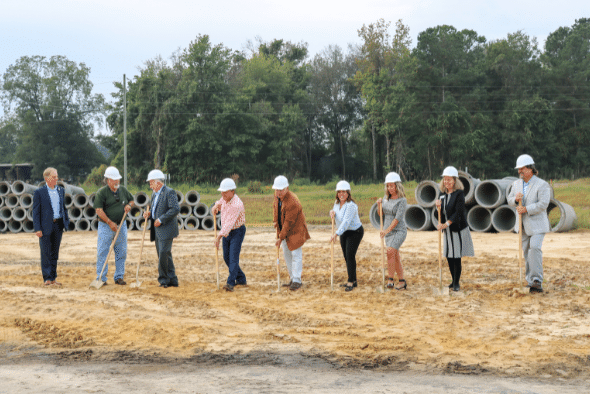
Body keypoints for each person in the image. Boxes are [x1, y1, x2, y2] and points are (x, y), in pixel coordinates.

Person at [507, 154, 551, 293]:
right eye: (519, 169)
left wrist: (526, 209)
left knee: (534, 249)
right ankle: (530, 281)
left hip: (537, 225)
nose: (520, 172)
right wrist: (515, 199)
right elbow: (509, 199)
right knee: (526, 252)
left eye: (522, 169)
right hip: (522, 225)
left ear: (531, 169)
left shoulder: (542, 184)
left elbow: (543, 204)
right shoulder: (516, 184)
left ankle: (537, 280)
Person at [435, 166, 474, 291]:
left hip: (457, 228)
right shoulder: (441, 195)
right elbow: (440, 214)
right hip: (447, 231)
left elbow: (458, 213)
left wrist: (446, 223)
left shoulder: (459, 194)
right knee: (449, 256)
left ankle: (456, 283)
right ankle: (452, 280)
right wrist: (437, 209)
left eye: (449, 180)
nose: (447, 182)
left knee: (456, 255)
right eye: (445, 180)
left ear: (455, 181)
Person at [93, 166, 135, 285]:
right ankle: (101, 278)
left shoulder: (122, 190)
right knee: (103, 251)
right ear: (108, 180)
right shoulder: (101, 192)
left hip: (121, 225)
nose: (117, 182)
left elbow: (131, 200)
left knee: (121, 251)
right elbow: (99, 210)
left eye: (118, 180)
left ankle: (119, 276)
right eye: (114, 180)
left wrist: (129, 206)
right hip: (105, 226)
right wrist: (109, 222)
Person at [32, 167, 70, 286]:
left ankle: (53, 277)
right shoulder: (39, 192)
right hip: (45, 226)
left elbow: (63, 207)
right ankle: (47, 278)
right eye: (54, 177)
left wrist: (66, 221)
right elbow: (36, 212)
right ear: (46, 178)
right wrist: (37, 228)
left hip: (58, 225)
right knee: (45, 252)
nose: (56, 179)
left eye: (57, 177)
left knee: (55, 252)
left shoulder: (60, 190)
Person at [142, 169, 180, 288]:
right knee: (164, 254)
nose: (149, 185)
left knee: (163, 253)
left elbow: (175, 209)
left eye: (151, 182)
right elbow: (154, 209)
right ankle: (172, 279)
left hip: (166, 228)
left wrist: (161, 219)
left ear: (157, 182)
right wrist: (148, 214)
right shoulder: (154, 193)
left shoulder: (169, 192)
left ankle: (163, 280)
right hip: (156, 229)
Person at [273, 175, 310, 291]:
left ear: (287, 188)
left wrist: (280, 237)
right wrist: (276, 224)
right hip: (284, 230)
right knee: (287, 254)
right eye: (277, 189)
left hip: (296, 230)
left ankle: (297, 280)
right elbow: (276, 212)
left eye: (281, 190)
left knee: (296, 255)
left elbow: (288, 223)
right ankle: (292, 278)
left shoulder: (292, 201)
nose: (278, 192)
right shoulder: (277, 197)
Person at [211, 178, 247, 292]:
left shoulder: (237, 205)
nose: (222, 194)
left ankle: (230, 283)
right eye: (221, 191)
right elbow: (220, 202)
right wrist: (216, 206)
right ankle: (241, 278)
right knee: (226, 257)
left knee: (233, 258)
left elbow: (229, 225)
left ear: (232, 191)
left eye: (225, 192)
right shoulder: (225, 198)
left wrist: (218, 237)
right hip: (227, 230)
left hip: (237, 231)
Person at [329, 181, 364, 292]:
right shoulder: (336, 203)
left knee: (350, 255)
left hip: (355, 231)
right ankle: (353, 280)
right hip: (344, 232)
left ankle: (350, 281)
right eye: (339, 192)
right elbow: (335, 213)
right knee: (346, 256)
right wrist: (331, 213)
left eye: (343, 192)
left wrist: (335, 234)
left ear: (348, 193)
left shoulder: (351, 206)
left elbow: (346, 222)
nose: (341, 194)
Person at [376, 172, 408, 290]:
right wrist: (379, 205)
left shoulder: (402, 200)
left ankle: (390, 279)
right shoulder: (385, 198)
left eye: (392, 186)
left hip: (399, 231)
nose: (389, 188)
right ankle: (402, 281)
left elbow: (397, 219)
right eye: (388, 186)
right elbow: (381, 214)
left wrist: (386, 231)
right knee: (395, 256)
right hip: (388, 232)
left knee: (389, 251)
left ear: (397, 186)